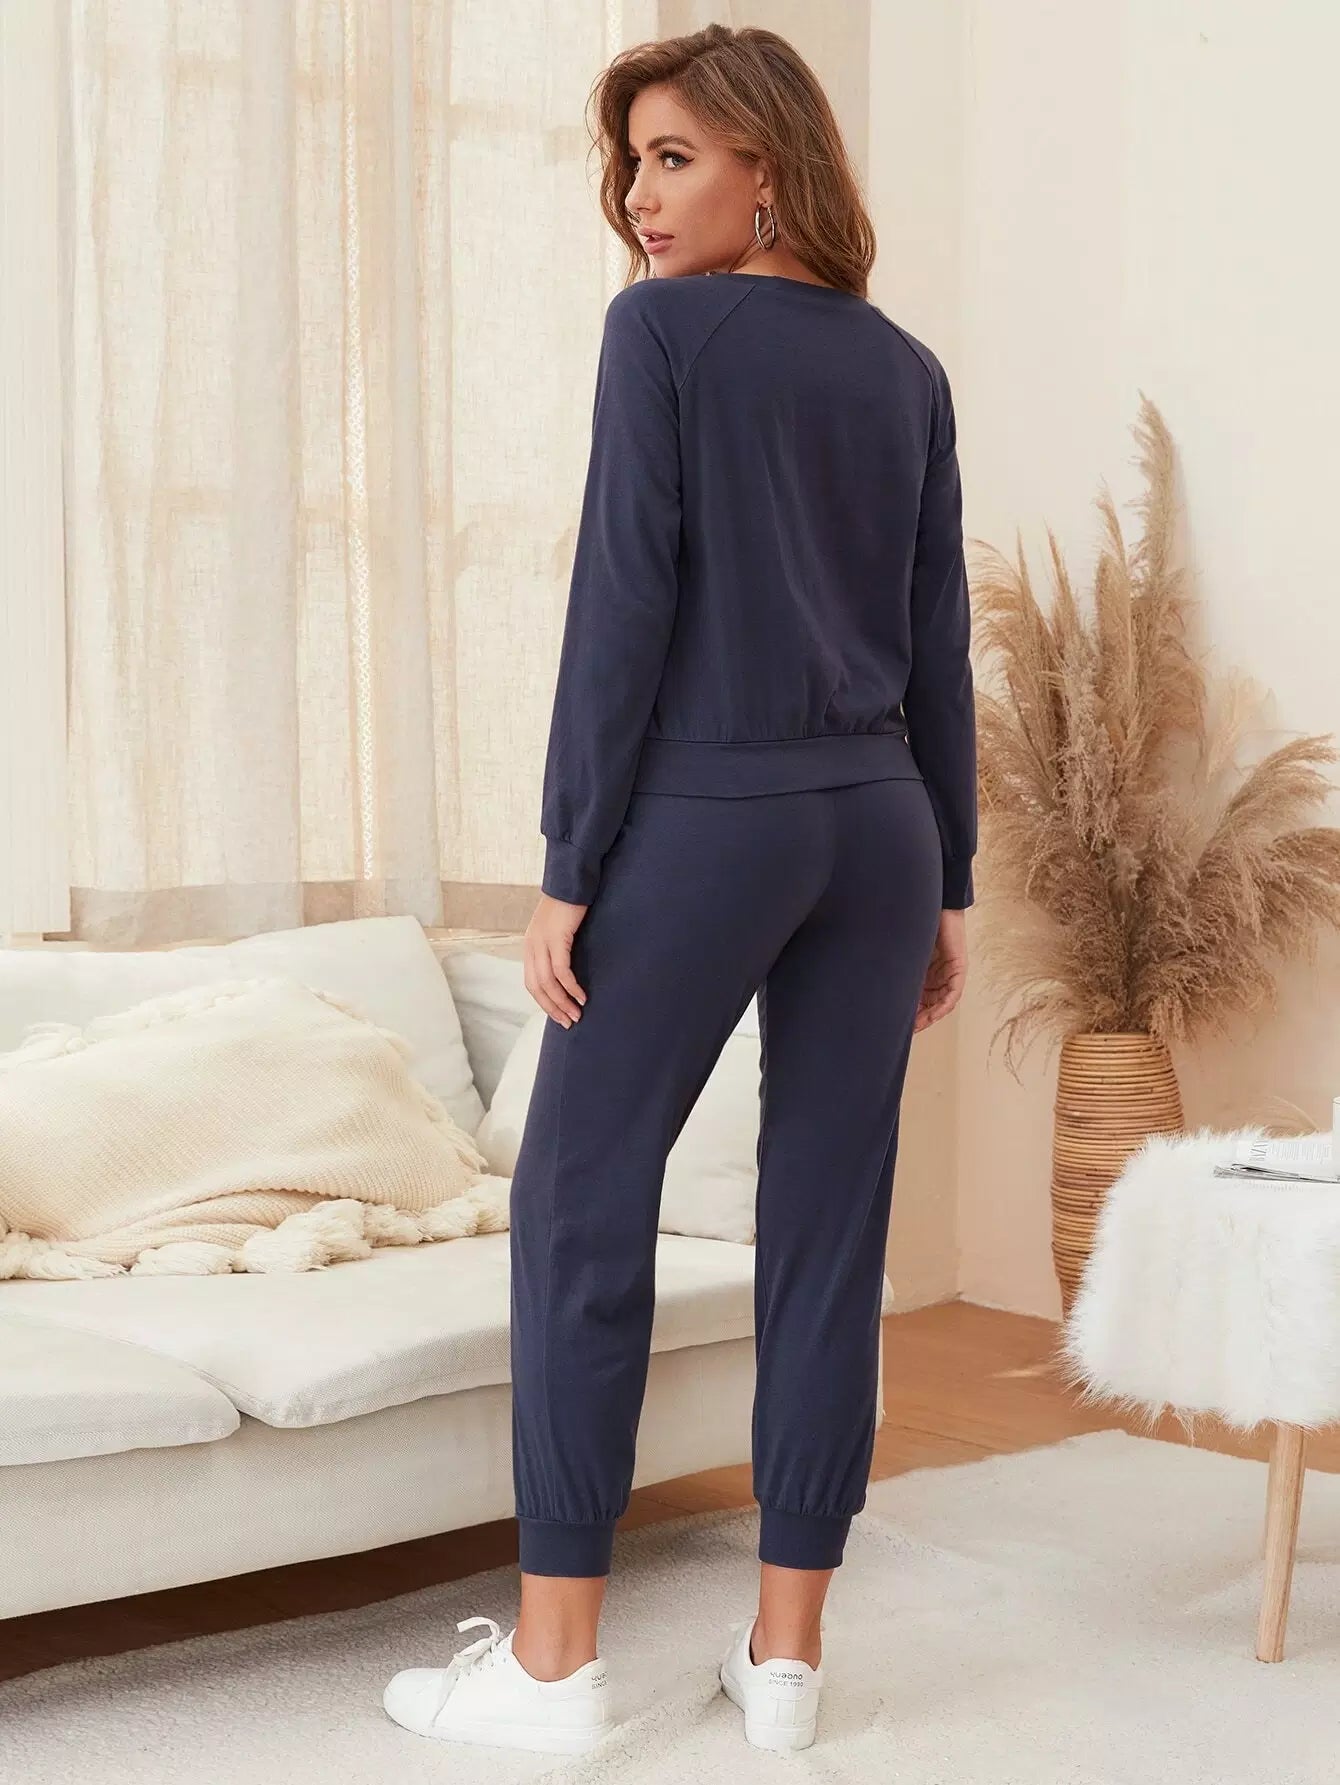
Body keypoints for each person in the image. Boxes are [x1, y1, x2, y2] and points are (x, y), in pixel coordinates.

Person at [383, 21, 974, 1757]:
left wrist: (571, 861)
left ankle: (553, 1669)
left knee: (578, 1198)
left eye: (675, 158)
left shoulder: (660, 336)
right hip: (880, 826)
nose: (639, 197)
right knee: (829, 1224)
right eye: (633, 161)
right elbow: (935, 637)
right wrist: (948, 874)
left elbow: (623, 602)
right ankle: (784, 1663)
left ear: (767, 168)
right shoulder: (907, 369)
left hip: (714, 815)